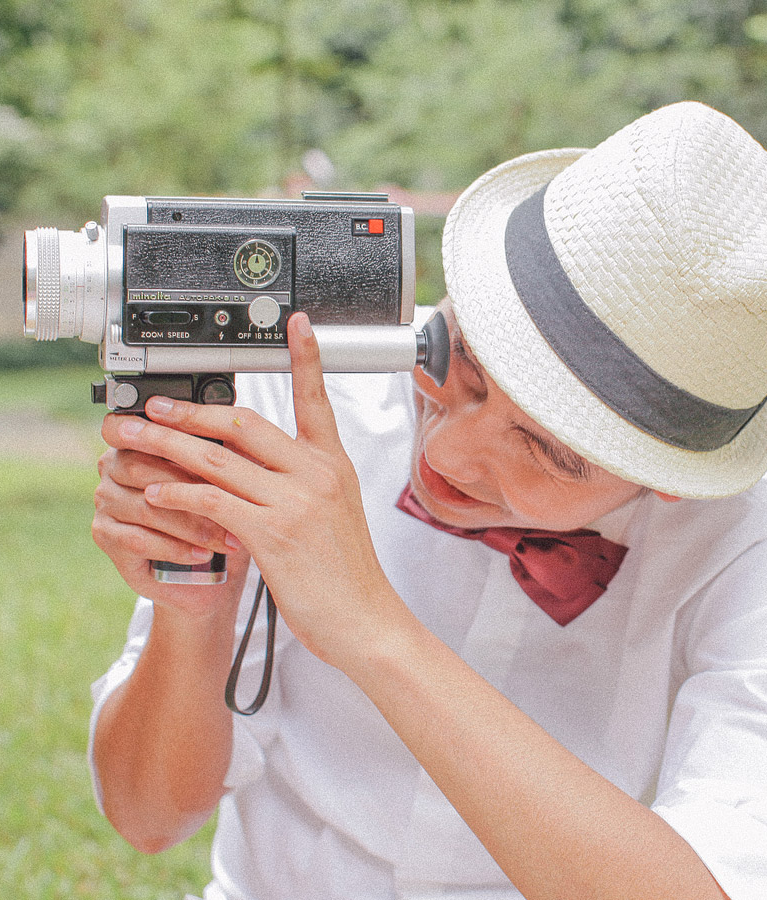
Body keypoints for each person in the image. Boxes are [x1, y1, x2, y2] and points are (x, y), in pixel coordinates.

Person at [87, 101, 767, 900]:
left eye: (549, 450)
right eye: (458, 365)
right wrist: (194, 608)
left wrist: (370, 626)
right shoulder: (297, 389)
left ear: (671, 481)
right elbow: (148, 818)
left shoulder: (744, 546)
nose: (443, 455)